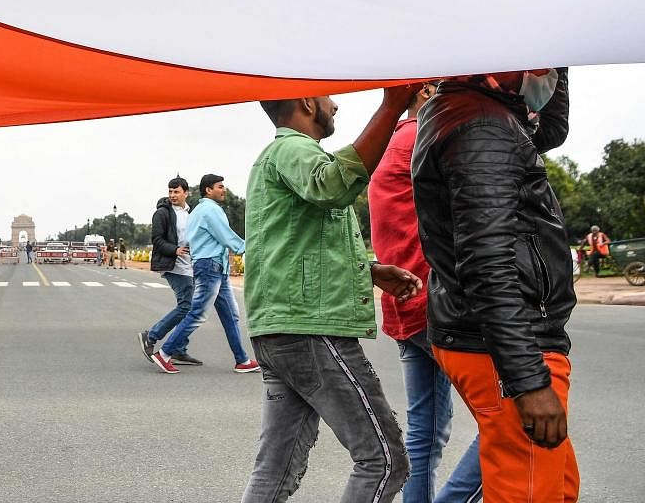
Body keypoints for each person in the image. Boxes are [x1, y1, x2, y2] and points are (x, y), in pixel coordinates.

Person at [240, 89, 422, 503]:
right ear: (306, 103)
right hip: (309, 330)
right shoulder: (293, 149)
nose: (335, 106)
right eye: (328, 99)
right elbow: (331, 185)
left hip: (282, 332)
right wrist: (391, 107)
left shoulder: (282, 158)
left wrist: (372, 271)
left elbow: (299, 244)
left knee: (276, 470)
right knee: (384, 461)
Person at [412, 68, 578, 503]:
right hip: (505, 343)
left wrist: (560, 62)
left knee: (557, 488)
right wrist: (527, 381)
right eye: (541, 64)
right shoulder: (482, 127)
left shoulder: (483, 112)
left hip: (495, 334)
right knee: (529, 493)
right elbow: (488, 263)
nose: (547, 74)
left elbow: (552, 129)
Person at [369, 82, 482, 503]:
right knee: (507, 422)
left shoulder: (391, 142)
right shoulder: (426, 137)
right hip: (440, 302)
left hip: (407, 307)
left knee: (426, 431)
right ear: (426, 91)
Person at [151, 174, 260, 374]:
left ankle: (242, 361)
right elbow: (226, 236)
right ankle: (164, 353)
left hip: (214, 266)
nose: (224, 189)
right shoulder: (210, 210)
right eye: (220, 186)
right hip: (211, 266)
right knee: (197, 313)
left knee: (231, 315)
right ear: (208, 190)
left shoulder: (197, 211)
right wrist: (249, 248)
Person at [138, 177, 198, 365]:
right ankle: (151, 335)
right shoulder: (163, 213)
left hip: (191, 265)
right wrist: (175, 249)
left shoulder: (192, 212)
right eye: (170, 191)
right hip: (174, 265)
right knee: (186, 306)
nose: (172, 195)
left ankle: (179, 348)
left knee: (190, 308)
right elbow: (157, 239)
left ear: (186, 193)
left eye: (176, 191)